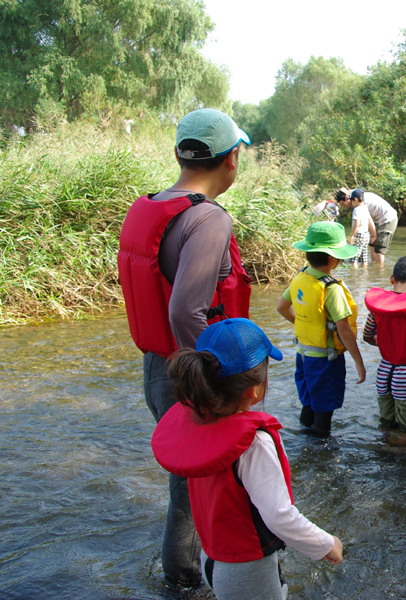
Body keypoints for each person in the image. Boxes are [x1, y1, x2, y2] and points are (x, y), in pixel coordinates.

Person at [118, 107, 253, 588]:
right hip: (189, 372)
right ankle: (187, 583)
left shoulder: (152, 205)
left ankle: (183, 580)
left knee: (186, 482)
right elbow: (185, 312)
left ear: (179, 151)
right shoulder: (208, 219)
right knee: (199, 487)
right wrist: (215, 380)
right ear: (232, 158)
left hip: (157, 366)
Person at [151, 318, 343, 600]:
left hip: (211, 557)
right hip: (246, 569)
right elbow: (279, 515)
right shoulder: (254, 443)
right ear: (254, 391)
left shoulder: (197, 426)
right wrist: (326, 545)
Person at [276, 222, 366, 436]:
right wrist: (358, 362)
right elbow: (343, 329)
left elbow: (281, 307)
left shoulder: (300, 277)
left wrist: (305, 324)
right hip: (326, 360)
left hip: (303, 355)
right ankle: (321, 455)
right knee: (324, 411)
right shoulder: (331, 289)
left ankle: (302, 442)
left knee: (308, 404)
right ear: (334, 258)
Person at [363, 257, 406, 437]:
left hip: (384, 371)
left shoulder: (378, 307)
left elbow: (367, 336)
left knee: (387, 421)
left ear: (392, 279)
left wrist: (389, 343)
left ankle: (387, 451)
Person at [335, 187, 398, 264]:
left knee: (380, 248)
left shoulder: (361, 203)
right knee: (372, 243)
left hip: (387, 219)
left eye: (342, 203)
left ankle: (379, 272)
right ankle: (373, 268)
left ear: (347, 198)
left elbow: (365, 221)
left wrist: (352, 236)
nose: (342, 206)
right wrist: (373, 234)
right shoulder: (359, 198)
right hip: (376, 220)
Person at [347, 192, 376, 267]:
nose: (351, 203)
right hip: (366, 235)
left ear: (355, 199)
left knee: (353, 259)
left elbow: (356, 224)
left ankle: (354, 276)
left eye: (352, 201)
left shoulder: (356, 210)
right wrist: (374, 234)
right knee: (364, 259)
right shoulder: (365, 208)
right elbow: (370, 221)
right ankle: (364, 275)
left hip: (358, 235)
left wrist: (351, 236)